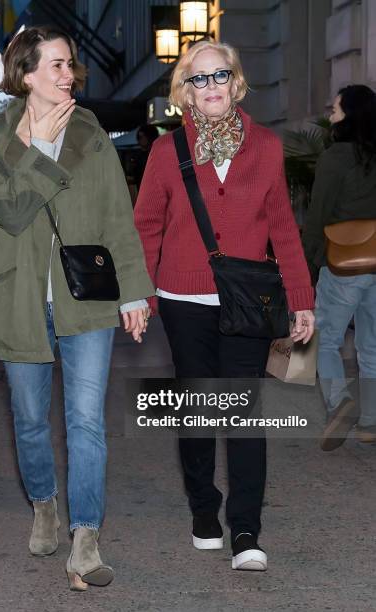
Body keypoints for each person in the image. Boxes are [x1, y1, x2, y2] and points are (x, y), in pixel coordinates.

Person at [0, 26, 153, 592]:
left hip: (87, 298)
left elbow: (115, 213)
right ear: (26, 74)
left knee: (86, 422)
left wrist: (133, 290)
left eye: (70, 64)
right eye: (55, 66)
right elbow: (6, 210)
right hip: (19, 298)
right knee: (30, 423)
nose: (68, 74)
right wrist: (38, 152)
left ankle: (85, 540)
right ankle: (44, 504)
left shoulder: (92, 130)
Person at [134, 40, 315, 571]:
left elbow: (283, 227)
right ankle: (203, 508)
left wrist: (301, 299)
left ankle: (246, 529)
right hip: (182, 299)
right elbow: (146, 226)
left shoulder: (266, 146)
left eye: (219, 76)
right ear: (184, 93)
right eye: (198, 78)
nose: (210, 87)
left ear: (235, 83)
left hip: (247, 302)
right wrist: (141, 296)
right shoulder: (167, 152)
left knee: (243, 413)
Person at [302, 85, 376, 449]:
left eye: (334, 110)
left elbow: (318, 214)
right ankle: (371, 422)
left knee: (323, 340)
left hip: (344, 262)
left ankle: (339, 402)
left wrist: (310, 261)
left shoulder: (337, 156)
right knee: (372, 346)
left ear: (349, 114)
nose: (330, 116)